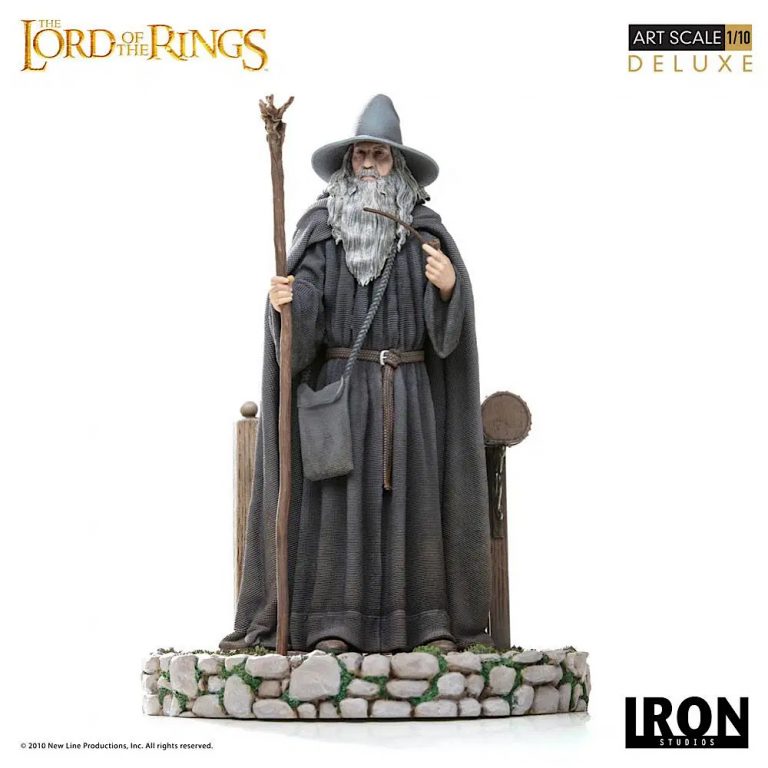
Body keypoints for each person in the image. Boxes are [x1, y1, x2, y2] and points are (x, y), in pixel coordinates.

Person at [220, 95, 491, 654]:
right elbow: (302, 329)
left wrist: (448, 290)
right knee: (337, 514)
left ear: (398, 167)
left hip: (407, 398)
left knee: (412, 510)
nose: (368, 164)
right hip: (339, 397)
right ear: (347, 164)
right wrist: (289, 303)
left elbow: (447, 338)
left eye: (380, 156)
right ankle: (332, 625)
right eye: (361, 155)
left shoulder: (425, 233)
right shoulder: (321, 229)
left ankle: (425, 625)